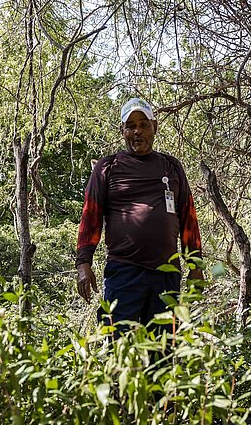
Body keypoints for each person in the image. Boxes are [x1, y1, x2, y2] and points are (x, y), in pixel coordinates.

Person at [76, 97, 203, 328]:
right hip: (124, 272)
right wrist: (84, 264)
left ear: (155, 127)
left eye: (144, 124)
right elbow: (91, 216)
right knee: (120, 343)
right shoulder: (108, 167)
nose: (138, 131)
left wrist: (195, 266)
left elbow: (188, 218)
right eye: (131, 125)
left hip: (166, 274)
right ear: (122, 130)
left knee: (163, 352)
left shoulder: (171, 167)